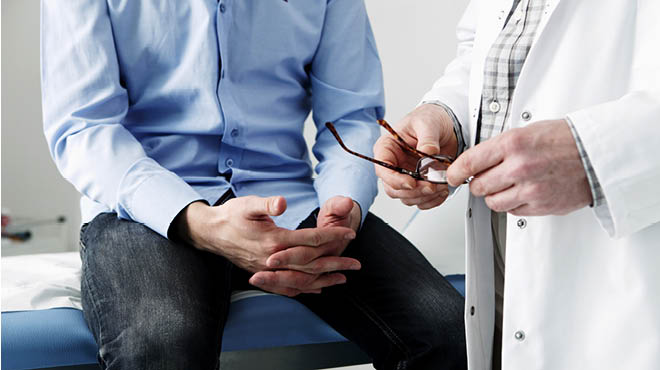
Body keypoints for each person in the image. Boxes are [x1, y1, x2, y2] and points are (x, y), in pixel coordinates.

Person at [41, 1, 468, 369]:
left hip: (293, 205)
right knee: (164, 343)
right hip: (146, 209)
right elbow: (84, 129)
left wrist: (344, 209)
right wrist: (198, 221)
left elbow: (351, 113)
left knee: (448, 332)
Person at [374, 1, 660, 369]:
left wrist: (593, 153)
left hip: (628, 242)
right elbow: (489, 48)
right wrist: (446, 116)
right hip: (502, 236)